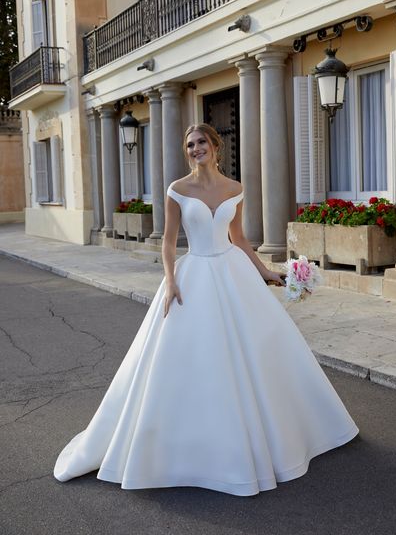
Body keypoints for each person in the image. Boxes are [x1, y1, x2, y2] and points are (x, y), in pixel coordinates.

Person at [54, 123, 358, 496]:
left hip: (233, 271)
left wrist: (267, 273)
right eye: (190, 144)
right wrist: (170, 281)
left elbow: (240, 238)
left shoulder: (236, 189)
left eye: (202, 142)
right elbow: (168, 242)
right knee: (196, 357)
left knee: (261, 349)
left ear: (216, 147)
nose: (196, 148)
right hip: (194, 274)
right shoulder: (177, 190)